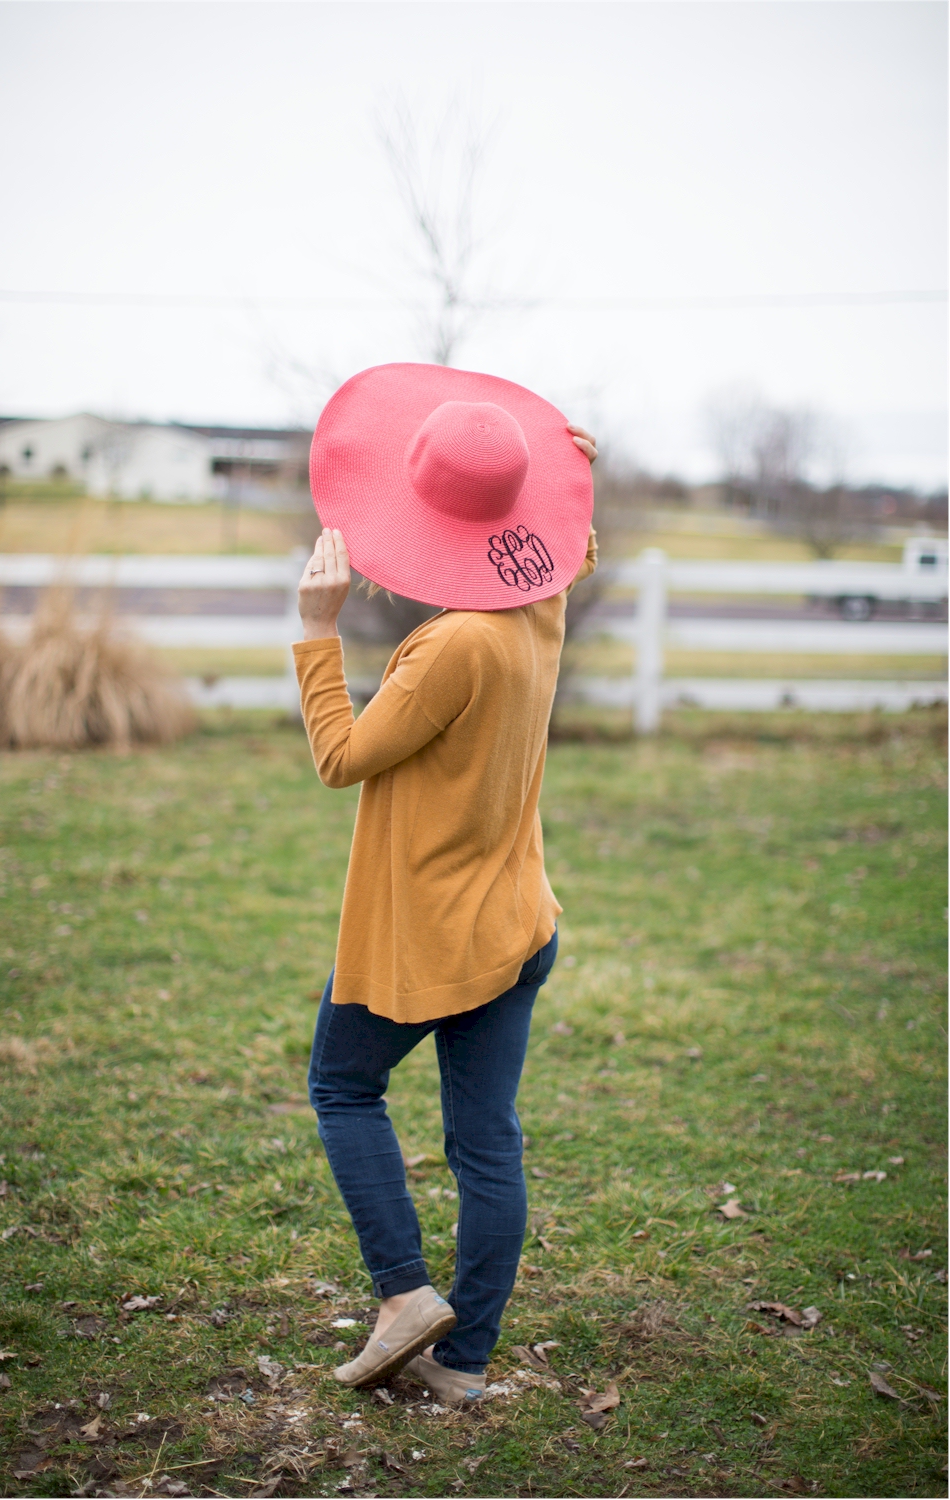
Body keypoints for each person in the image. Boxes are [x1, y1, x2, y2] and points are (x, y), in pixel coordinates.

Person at [292, 363, 597, 1404]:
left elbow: (341, 755)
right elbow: (567, 543)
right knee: (485, 1145)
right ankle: (463, 1366)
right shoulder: (540, 603)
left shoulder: (452, 648)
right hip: (515, 921)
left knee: (341, 1085)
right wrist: (565, 469)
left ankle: (402, 1299)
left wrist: (316, 628)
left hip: (429, 932)